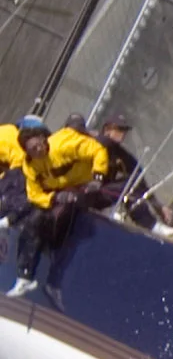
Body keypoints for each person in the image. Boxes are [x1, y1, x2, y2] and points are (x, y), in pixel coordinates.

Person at [0, 115, 113, 295]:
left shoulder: (63, 144)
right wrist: (54, 198)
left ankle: (56, 276)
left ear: (44, 138)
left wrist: (98, 176)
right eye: (32, 150)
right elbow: (35, 194)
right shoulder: (30, 165)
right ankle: (25, 277)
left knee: (62, 217)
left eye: (39, 145)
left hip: (90, 183)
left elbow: (97, 150)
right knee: (34, 220)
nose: (38, 150)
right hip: (62, 190)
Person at [58, 113, 171, 229]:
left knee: (132, 182)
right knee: (129, 184)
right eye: (120, 129)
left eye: (125, 130)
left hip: (96, 196)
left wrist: (158, 205)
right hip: (75, 194)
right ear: (107, 129)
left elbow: (137, 175)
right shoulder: (93, 142)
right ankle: (153, 226)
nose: (123, 134)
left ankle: (152, 225)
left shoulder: (118, 152)